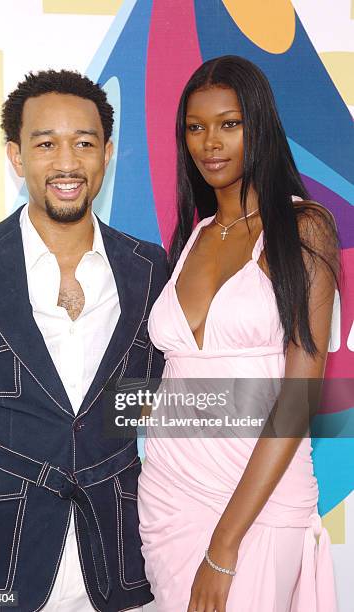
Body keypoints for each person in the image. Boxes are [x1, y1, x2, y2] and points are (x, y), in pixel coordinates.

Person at [0, 70, 167, 611]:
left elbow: (171, 403)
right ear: (17, 157)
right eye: (45, 144)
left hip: (121, 558)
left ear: (108, 154)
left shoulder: (150, 267)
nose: (67, 163)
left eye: (84, 143)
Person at [138, 56, 339, 611]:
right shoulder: (194, 235)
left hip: (258, 501)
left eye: (229, 124)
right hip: (169, 498)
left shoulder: (303, 229)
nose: (210, 143)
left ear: (259, 126)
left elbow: (299, 399)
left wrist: (224, 546)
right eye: (195, 128)